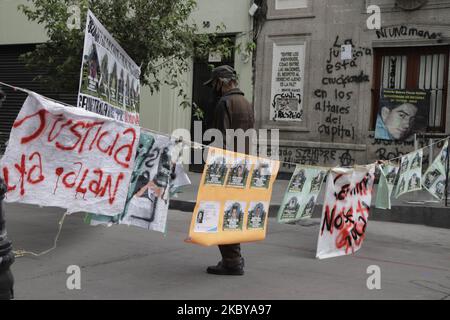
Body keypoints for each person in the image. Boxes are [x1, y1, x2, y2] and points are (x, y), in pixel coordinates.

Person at [203, 65, 254, 276]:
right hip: (242, 166)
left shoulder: (225, 103)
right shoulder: (245, 103)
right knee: (234, 212)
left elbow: (219, 139)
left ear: (221, 82)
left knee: (222, 214)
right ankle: (234, 258)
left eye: (214, 84)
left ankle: (232, 261)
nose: (213, 88)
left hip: (226, 167)